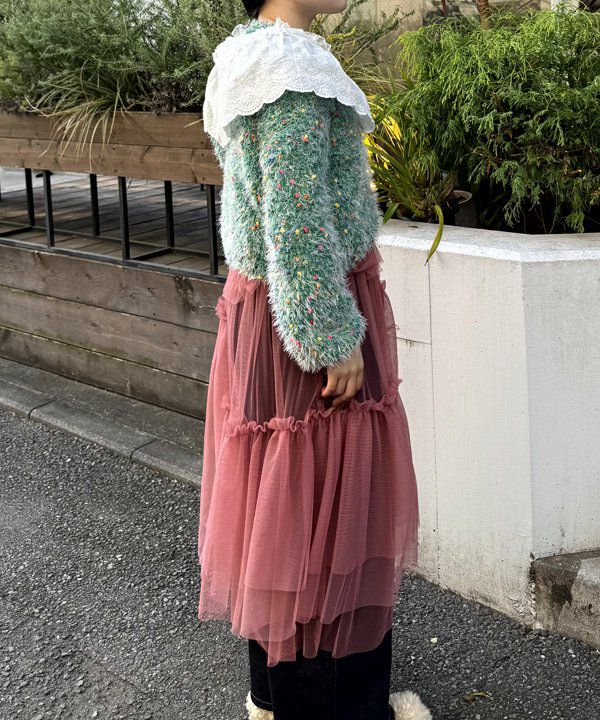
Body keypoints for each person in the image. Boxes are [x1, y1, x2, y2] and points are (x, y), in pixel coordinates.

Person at [197, 2, 430, 718]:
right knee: (324, 519)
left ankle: (274, 697)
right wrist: (332, 337)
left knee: (280, 513)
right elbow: (296, 218)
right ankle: (339, 709)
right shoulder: (288, 67)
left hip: (267, 312)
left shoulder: (252, 54)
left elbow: (267, 206)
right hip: (307, 314)